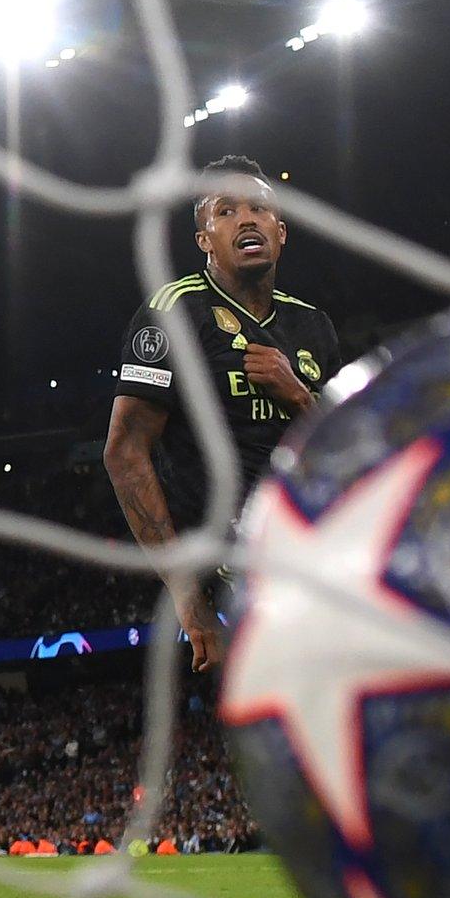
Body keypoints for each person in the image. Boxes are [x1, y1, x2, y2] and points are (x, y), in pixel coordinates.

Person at [102, 154, 342, 673]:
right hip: (227, 576)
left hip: (312, 558)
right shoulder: (174, 312)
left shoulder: (312, 325)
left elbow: (347, 447)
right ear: (204, 240)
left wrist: (299, 395)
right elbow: (125, 452)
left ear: (280, 232)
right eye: (226, 211)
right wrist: (187, 600)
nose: (247, 218)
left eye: (259, 208)